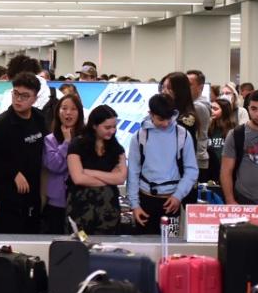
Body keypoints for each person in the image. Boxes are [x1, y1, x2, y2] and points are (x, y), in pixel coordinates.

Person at [0, 72, 47, 234]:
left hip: (35, 193)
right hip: (9, 197)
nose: (18, 99)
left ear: (35, 98)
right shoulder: (0, 125)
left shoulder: (39, 118)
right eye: (16, 94)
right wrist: (13, 173)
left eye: (25, 96)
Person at [127, 94, 198, 235]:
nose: (165, 123)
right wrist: (134, 205)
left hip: (172, 201)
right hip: (145, 200)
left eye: (169, 118)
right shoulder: (139, 136)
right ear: (150, 114)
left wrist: (178, 195)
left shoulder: (183, 134)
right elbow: (133, 172)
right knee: (145, 247)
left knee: (171, 249)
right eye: (160, 119)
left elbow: (192, 170)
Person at [66, 105, 127, 235]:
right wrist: (109, 179)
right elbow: (78, 178)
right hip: (80, 210)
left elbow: (121, 178)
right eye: (107, 127)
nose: (112, 131)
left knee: (108, 251)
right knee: (80, 246)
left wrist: (90, 172)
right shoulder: (77, 145)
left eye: (114, 127)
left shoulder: (117, 149)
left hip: (109, 211)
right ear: (94, 126)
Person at [42, 93, 84, 234]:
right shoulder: (50, 139)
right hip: (57, 203)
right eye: (64, 108)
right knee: (57, 239)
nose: (68, 113)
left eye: (73, 109)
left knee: (81, 238)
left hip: (81, 201)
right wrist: (66, 142)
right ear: (58, 112)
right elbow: (54, 166)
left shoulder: (86, 139)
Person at [186, 69, 212, 181]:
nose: (185, 88)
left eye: (189, 85)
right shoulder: (189, 105)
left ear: (200, 88)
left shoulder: (198, 107)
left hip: (196, 161)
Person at [208, 98, 238, 183]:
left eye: (215, 109)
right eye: (210, 108)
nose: (211, 111)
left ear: (224, 111)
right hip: (211, 172)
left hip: (227, 172)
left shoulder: (233, 130)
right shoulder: (208, 128)